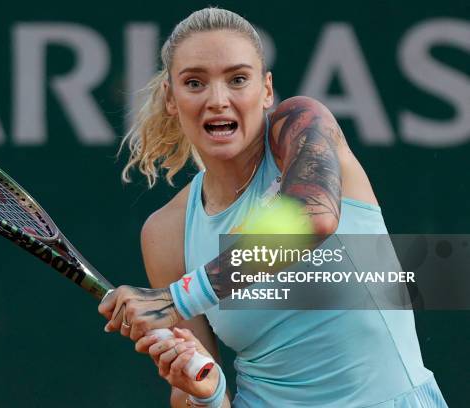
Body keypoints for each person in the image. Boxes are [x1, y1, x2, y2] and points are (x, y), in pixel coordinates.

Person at [99, 7, 448, 408]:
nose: (217, 100)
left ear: (266, 90)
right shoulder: (166, 232)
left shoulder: (299, 125)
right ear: (171, 98)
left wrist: (178, 297)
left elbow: (312, 215)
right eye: (194, 82)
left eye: (238, 79)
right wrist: (205, 392)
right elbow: (195, 389)